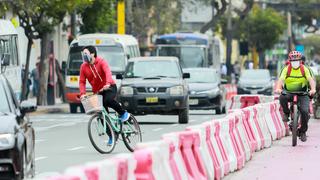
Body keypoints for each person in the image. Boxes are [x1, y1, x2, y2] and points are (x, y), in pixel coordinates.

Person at [79, 46, 129, 144]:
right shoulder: (83, 67)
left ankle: (123, 113)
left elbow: (108, 73)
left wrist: (107, 83)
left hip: (109, 87)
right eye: (83, 54)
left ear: (92, 54)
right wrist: (82, 94)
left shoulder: (101, 62)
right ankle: (112, 136)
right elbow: (82, 82)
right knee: (101, 115)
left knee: (108, 100)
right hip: (98, 91)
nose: (84, 56)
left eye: (86, 53)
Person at [275, 51, 316, 142]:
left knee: (305, 112)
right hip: (289, 92)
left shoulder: (305, 69)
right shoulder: (286, 69)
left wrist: (313, 89)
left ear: (300, 61)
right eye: (293, 61)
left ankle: (302, 132)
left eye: (297, 60)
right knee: (282, 97)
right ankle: (286, 113)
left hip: (303, 94)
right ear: (289, 61)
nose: (295, 62)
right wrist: (278, 88)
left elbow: (311, 80)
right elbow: (281, 80)